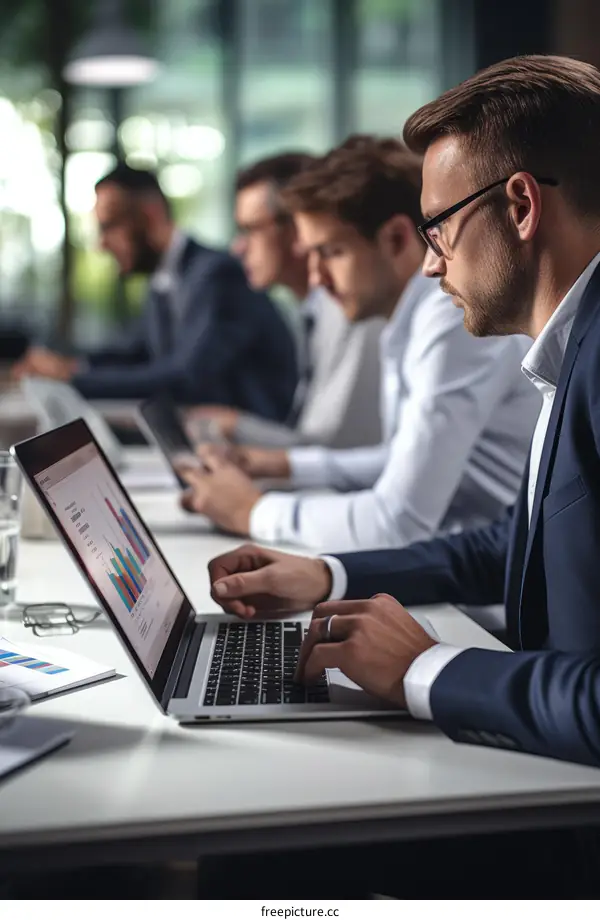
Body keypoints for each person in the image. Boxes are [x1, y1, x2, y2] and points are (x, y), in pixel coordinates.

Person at [206, 55, 600, 772]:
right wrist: (326, 573)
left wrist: (424, 669)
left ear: (520, 206)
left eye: (439, 227)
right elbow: (508, 545)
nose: (429, 265)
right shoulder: (572, 346)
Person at [180, 136, 539, 552]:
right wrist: (282, 465)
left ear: (395, 239)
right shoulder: (408, 316)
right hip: (462, 565)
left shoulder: (450, 317)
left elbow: (398, 521)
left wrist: (254, 511)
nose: (315, 278)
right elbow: (400, 461)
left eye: (330, 252)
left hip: (488, 593)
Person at [12, 164, 298, 420]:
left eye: (109, 226)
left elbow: (185, 376)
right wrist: (69, 364)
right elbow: (138, 352)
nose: (101, 245)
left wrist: (70, 378)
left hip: (255, 446)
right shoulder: (165, 279)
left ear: (150, 214)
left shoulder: (216, 275)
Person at [187, 152, 383, 449]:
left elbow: (331, 447)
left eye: (250, 230)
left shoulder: (352, 310)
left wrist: (236, 426)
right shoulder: (313, 313)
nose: (238, 248)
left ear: (297, 229)